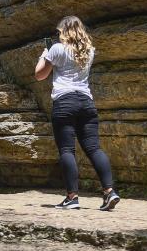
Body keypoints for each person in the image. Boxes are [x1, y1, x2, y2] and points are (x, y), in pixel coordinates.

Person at [35, 15, 121, 211]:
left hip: (65, 102)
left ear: (63, 31)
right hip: (86, 102)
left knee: (67, 150)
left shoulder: (56, 48)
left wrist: (45, 53)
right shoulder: (89, 50)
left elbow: (39, 74)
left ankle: (72, 198)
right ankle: (109, 192)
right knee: (94, 148)